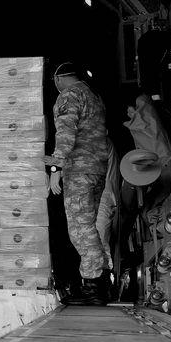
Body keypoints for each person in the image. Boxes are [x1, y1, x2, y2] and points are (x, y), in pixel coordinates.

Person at [44, 62, 110, 306]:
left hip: (79, 171)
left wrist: (55, 169)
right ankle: (102, 284)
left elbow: (65, 135)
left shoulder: (69, 95)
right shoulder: (94, 96)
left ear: (58, 79)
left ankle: (93, 288)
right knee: (90, 228)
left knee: (81, 231)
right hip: (97, 169)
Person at [96, 138, 120, 272]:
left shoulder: (101, 142)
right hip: (102, 195)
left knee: (100, 234)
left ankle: (104, 269)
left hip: (104, 195)